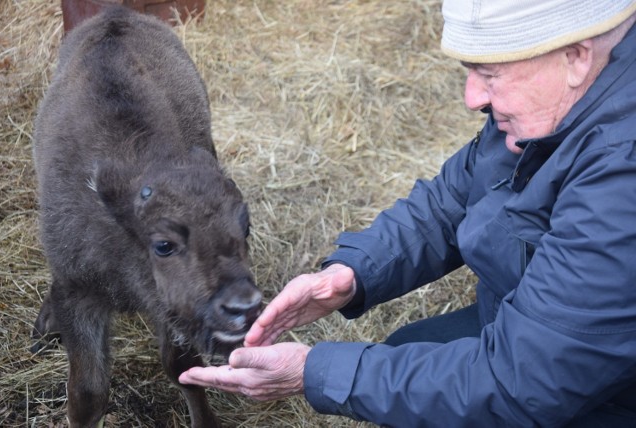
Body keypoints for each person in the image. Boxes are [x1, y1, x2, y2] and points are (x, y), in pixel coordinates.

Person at [179, 0, 636, 426]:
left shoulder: (621, 172)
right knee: (403, 352)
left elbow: (529, 380)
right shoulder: (557, 100)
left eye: (488, 73)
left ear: (575, 56)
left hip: (601, 383)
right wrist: (352, 274)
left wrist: (311, 372)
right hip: (535, 328)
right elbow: (455, 198)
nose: (472, 96)